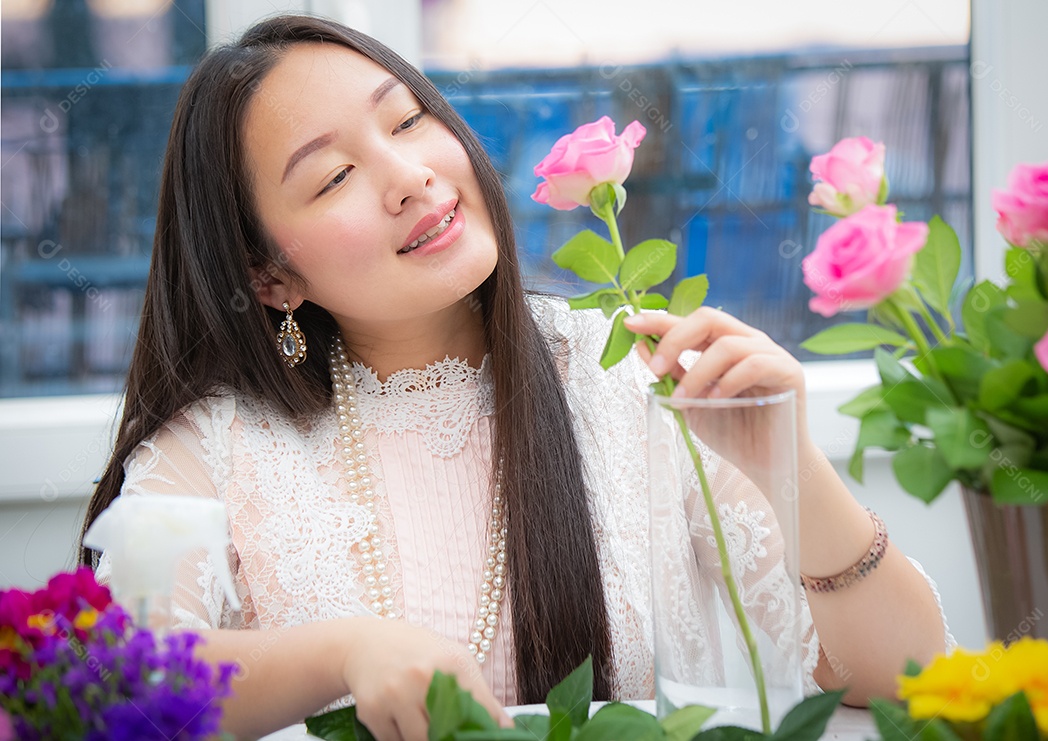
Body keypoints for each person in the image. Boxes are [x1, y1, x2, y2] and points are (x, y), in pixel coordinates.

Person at [80, 14, 951, 740]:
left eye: (409, 120)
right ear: (269, 277)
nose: (411, 177)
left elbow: (906, 681)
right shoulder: (220, 445)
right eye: (336, 174)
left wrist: (788, 463)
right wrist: (343, 654)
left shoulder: (628, 372)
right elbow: (117, 689)